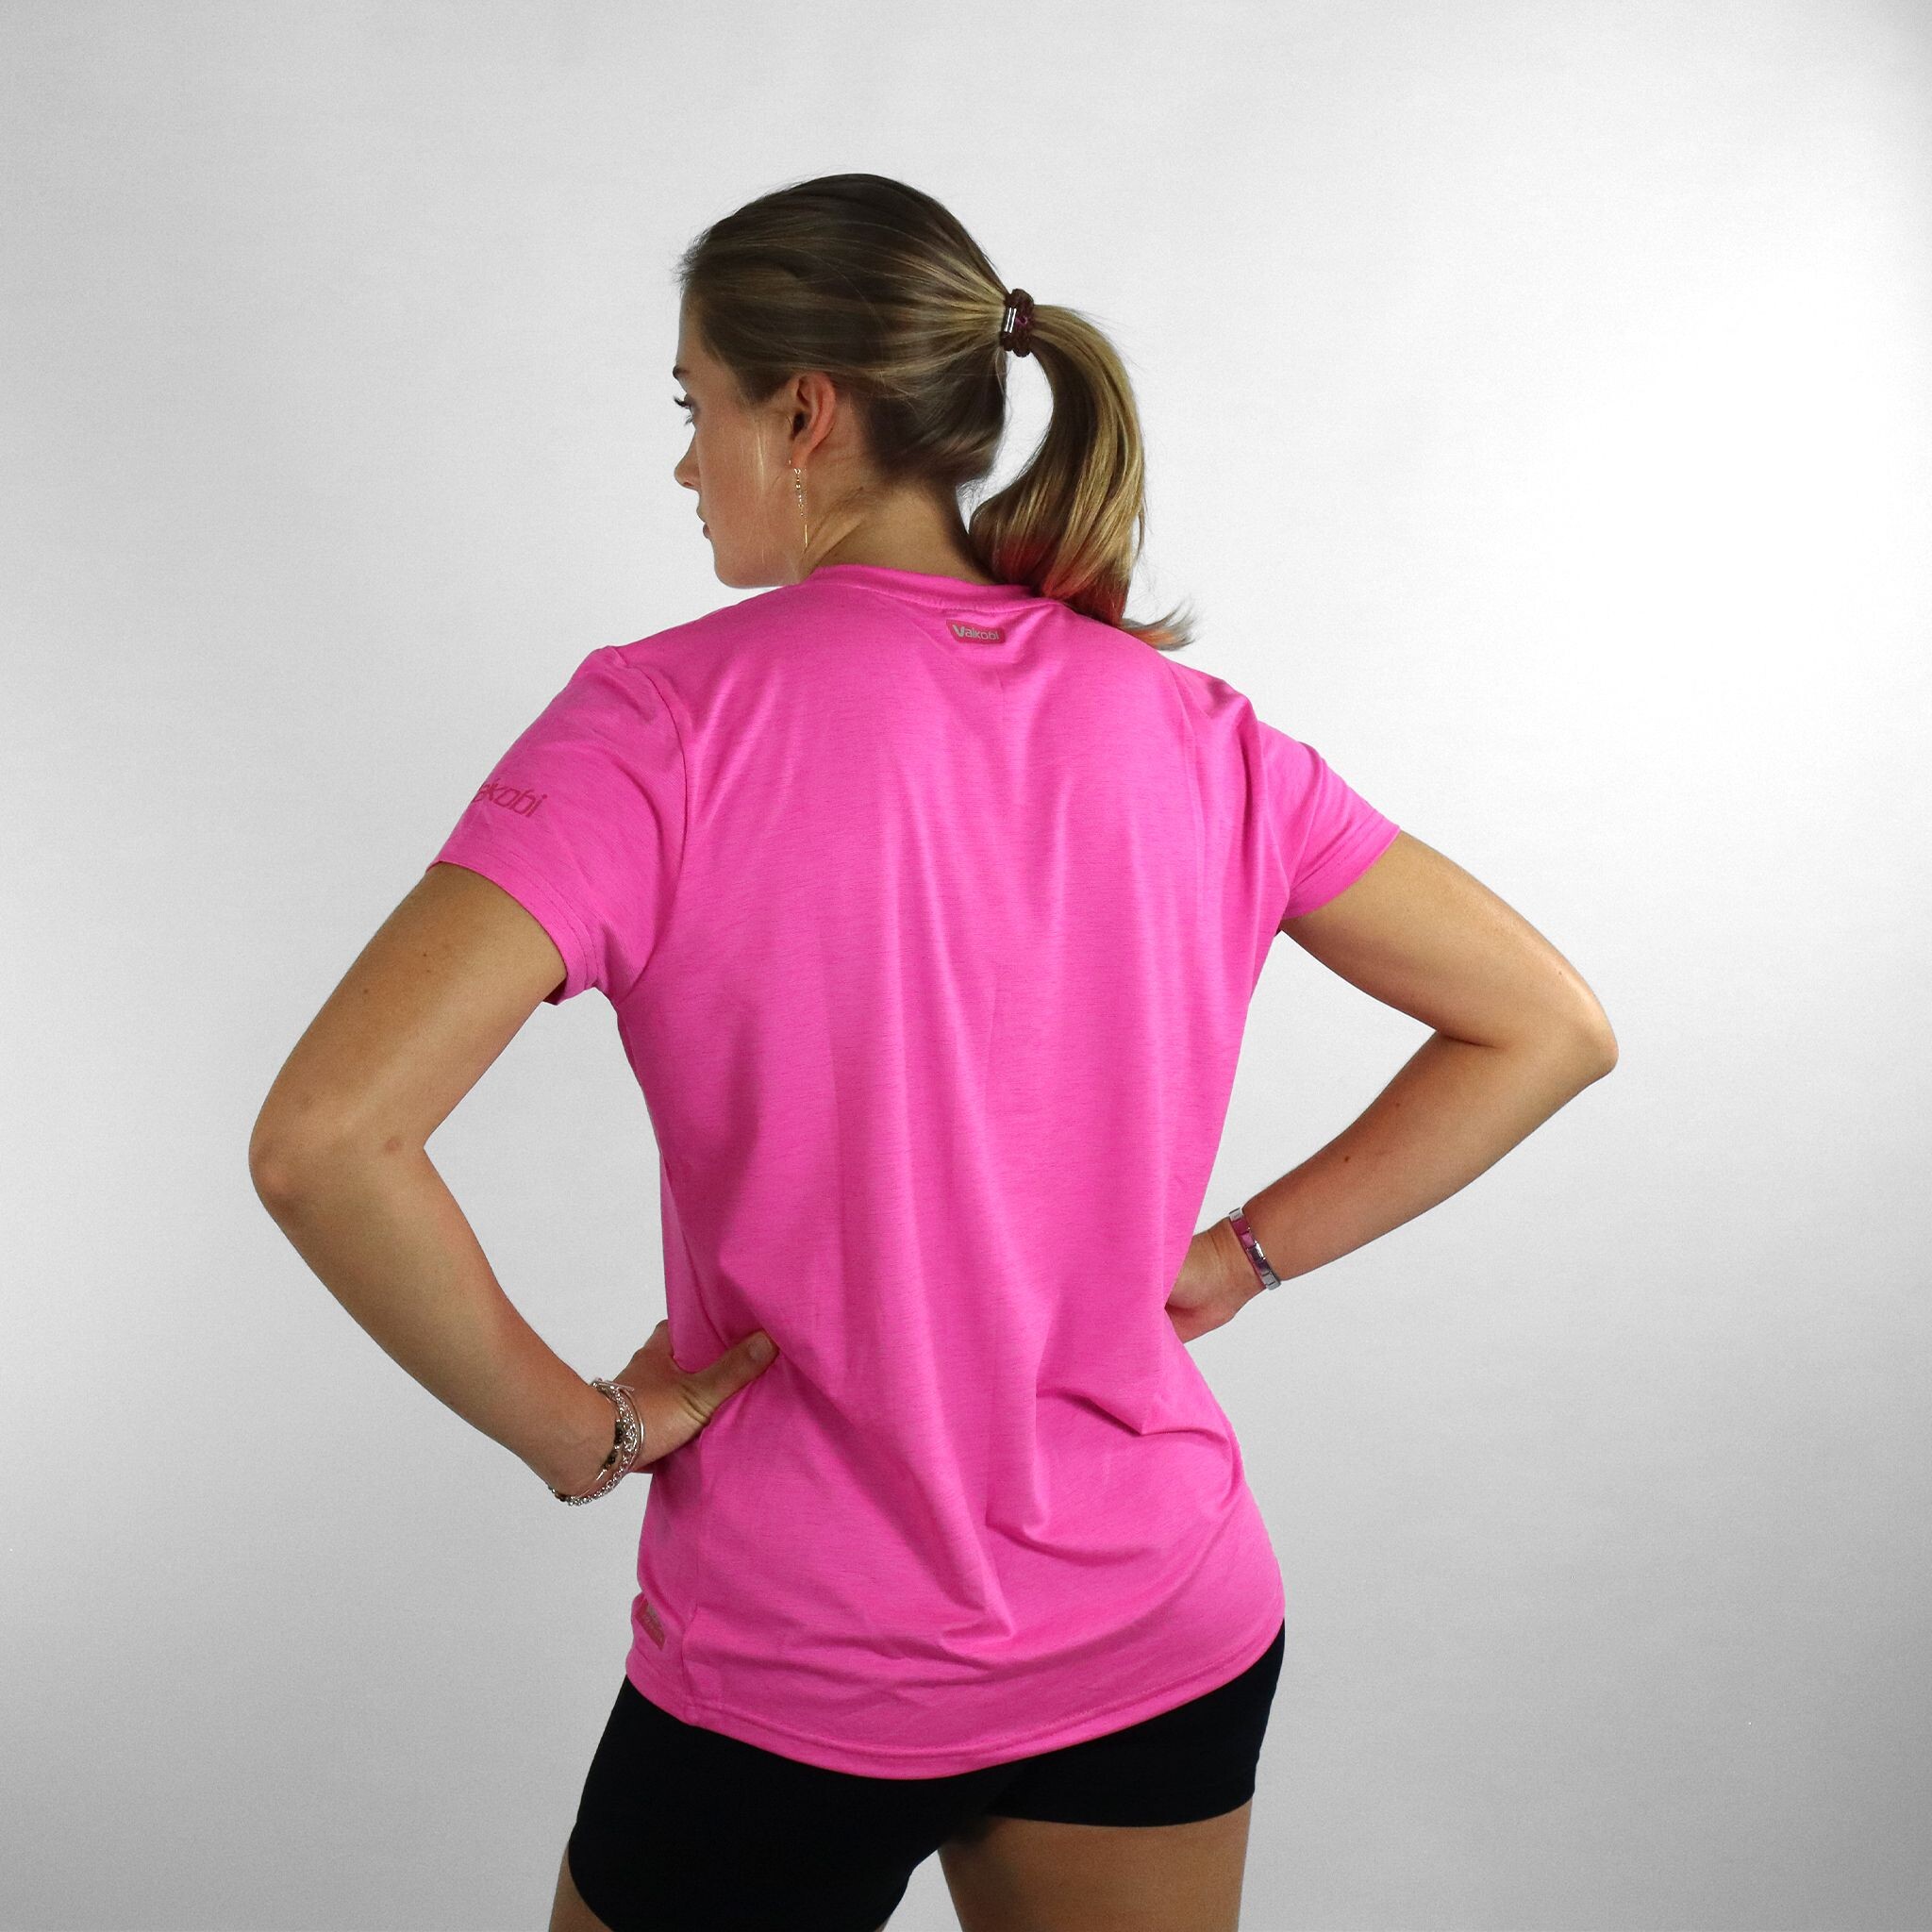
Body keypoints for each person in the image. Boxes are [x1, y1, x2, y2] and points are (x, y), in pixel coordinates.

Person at [251, 173, 1617, 1932]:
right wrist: (1242, 1256)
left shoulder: (657, 727)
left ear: (805, 413)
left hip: (796, 1662)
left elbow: (327, 1141)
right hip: (1159, 1624)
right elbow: (1546, 1025)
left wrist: (584, 1433)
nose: (684, 463)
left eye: (695, 405)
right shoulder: (1199, 735)